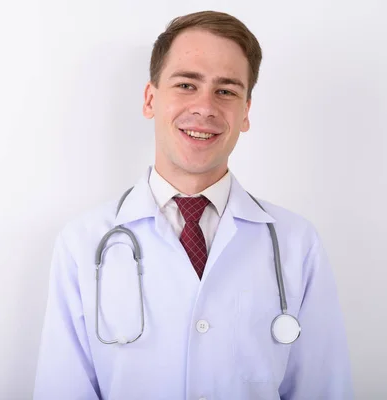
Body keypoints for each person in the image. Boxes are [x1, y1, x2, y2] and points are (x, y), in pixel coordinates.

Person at [33, 10, 353, 400]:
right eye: (187, 84)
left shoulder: (297, 243)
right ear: (151, 99)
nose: (205, 107)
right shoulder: (82, 244)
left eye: (227, 90)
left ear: (246, 112)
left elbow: (324, 389)